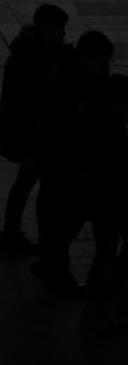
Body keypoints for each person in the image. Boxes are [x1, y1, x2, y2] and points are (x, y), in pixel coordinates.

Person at [33, 30, 114, 298]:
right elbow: (65, 130)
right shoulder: (69, 85)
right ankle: (55, 270)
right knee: (68, 219)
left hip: (66, 165)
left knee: (64, 221)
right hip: (66, 166)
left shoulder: (73, 78)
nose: (106, 67)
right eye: (102, 61)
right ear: (87, 58)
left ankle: (52, 267)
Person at [0, 4, 70, 256]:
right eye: (61, 29)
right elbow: (31, 103)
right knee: (32, 185)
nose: (63, 34)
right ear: (47, 29)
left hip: (33, 136)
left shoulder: (30, 53)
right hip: (35, 136)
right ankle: (14, 234)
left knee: (25, 183)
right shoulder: (33, 60)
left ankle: (12, 233)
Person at [77, 73, 128, 331]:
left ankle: (101, 303)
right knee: (105, 256)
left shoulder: (99, 124)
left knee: (104, 255)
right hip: (111, 201)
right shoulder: (109, 131)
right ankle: (102, 303)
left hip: (105, 201)